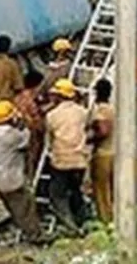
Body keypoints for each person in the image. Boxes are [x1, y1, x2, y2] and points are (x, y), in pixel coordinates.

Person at [0, 101, 43, 243]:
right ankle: (35, 236)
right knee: (25, 205)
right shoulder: (11, 135)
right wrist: (22, 121)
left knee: (12, 206)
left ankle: (24, 229)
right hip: (10, 179)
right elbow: (27, 137)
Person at [44, 78, 89, 236]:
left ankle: (71, 227)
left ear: (58, 96)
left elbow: (49, 139)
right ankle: (82, 221)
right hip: (80, 161)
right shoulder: (83, 112)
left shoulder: (52, 115)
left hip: (61, 161)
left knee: (57, 194)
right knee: (76, 190)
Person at [88, 79, 114, 224]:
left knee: (102, 191)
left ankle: (106, 221)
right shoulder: (114, 108)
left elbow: (103, 131)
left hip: (103, 154)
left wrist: (89, 139)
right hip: (116, 152)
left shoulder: (101, 111)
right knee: (114, 188)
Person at [12, 71, 46, 177]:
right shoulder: (30, 99)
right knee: (32, 158)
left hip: (19, 132)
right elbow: (35, 118)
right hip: (30, 133)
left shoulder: (17, 97)